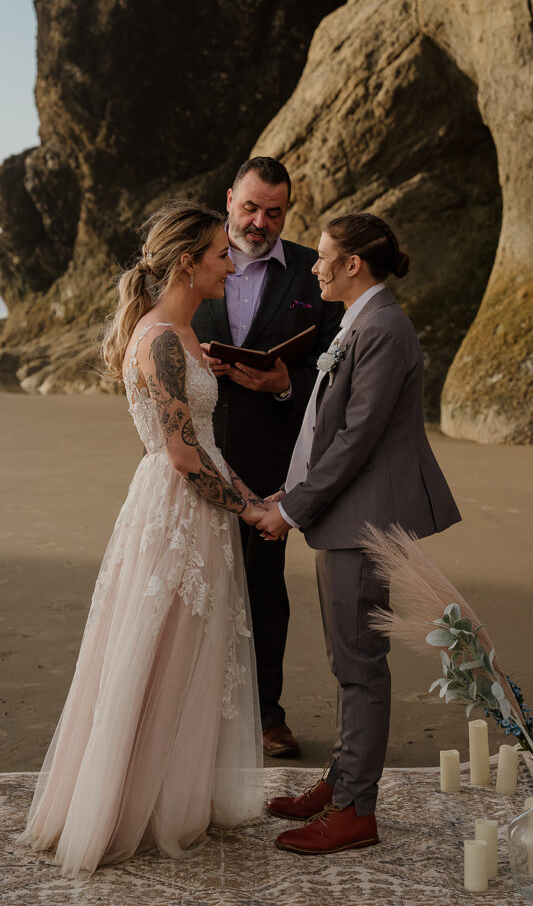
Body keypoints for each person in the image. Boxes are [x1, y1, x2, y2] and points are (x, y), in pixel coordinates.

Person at [21, 201, 265, 875]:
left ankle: (171, 798)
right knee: (156, 653)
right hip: (175, 511)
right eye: (221, 253)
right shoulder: (159, 339)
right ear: (188, 262)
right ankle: (130, 808)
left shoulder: (182, 334)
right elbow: (185, 456)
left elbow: (204, 445)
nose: (230, 263)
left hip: (196, 509)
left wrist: (248, 499)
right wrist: (248, 511)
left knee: (190, 655)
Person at [258, 212, 461, 854]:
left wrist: (292, 511)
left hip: (363, 518)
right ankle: (342, 781)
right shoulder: (361, 320)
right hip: (344, 512)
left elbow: (355, 439)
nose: (312, 266)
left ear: (352, 265)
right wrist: (293, 493)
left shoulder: (384, 327)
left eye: (322, 257)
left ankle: (355, 811)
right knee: (348, 656)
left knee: (359, 665)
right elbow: (325, 424)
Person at [192, 157, 342, 757]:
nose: (259, 222)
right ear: (229, 198)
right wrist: (183, 360)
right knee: (191, 586)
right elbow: (151, 334)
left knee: (262, 588)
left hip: (270, 459)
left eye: (273, 213)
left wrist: (283, 382)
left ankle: (266, 716)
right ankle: (191, 716)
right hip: (196, 450)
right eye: (250, 207)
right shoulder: (191, 258)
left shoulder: (313, 272)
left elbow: (336, 370)